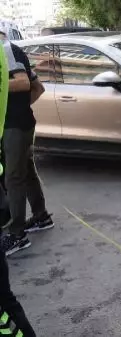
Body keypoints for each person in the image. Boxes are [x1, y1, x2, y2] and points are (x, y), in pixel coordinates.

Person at [0, 31, 54, 257]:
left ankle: (17, 234)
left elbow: (22, 83)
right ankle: (40, 216)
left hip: (14, 126)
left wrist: (14, 112)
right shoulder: (13, 50)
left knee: (13, 177)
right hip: (20, 123)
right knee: (26, 171)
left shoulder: (5, 50)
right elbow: (38, 88)